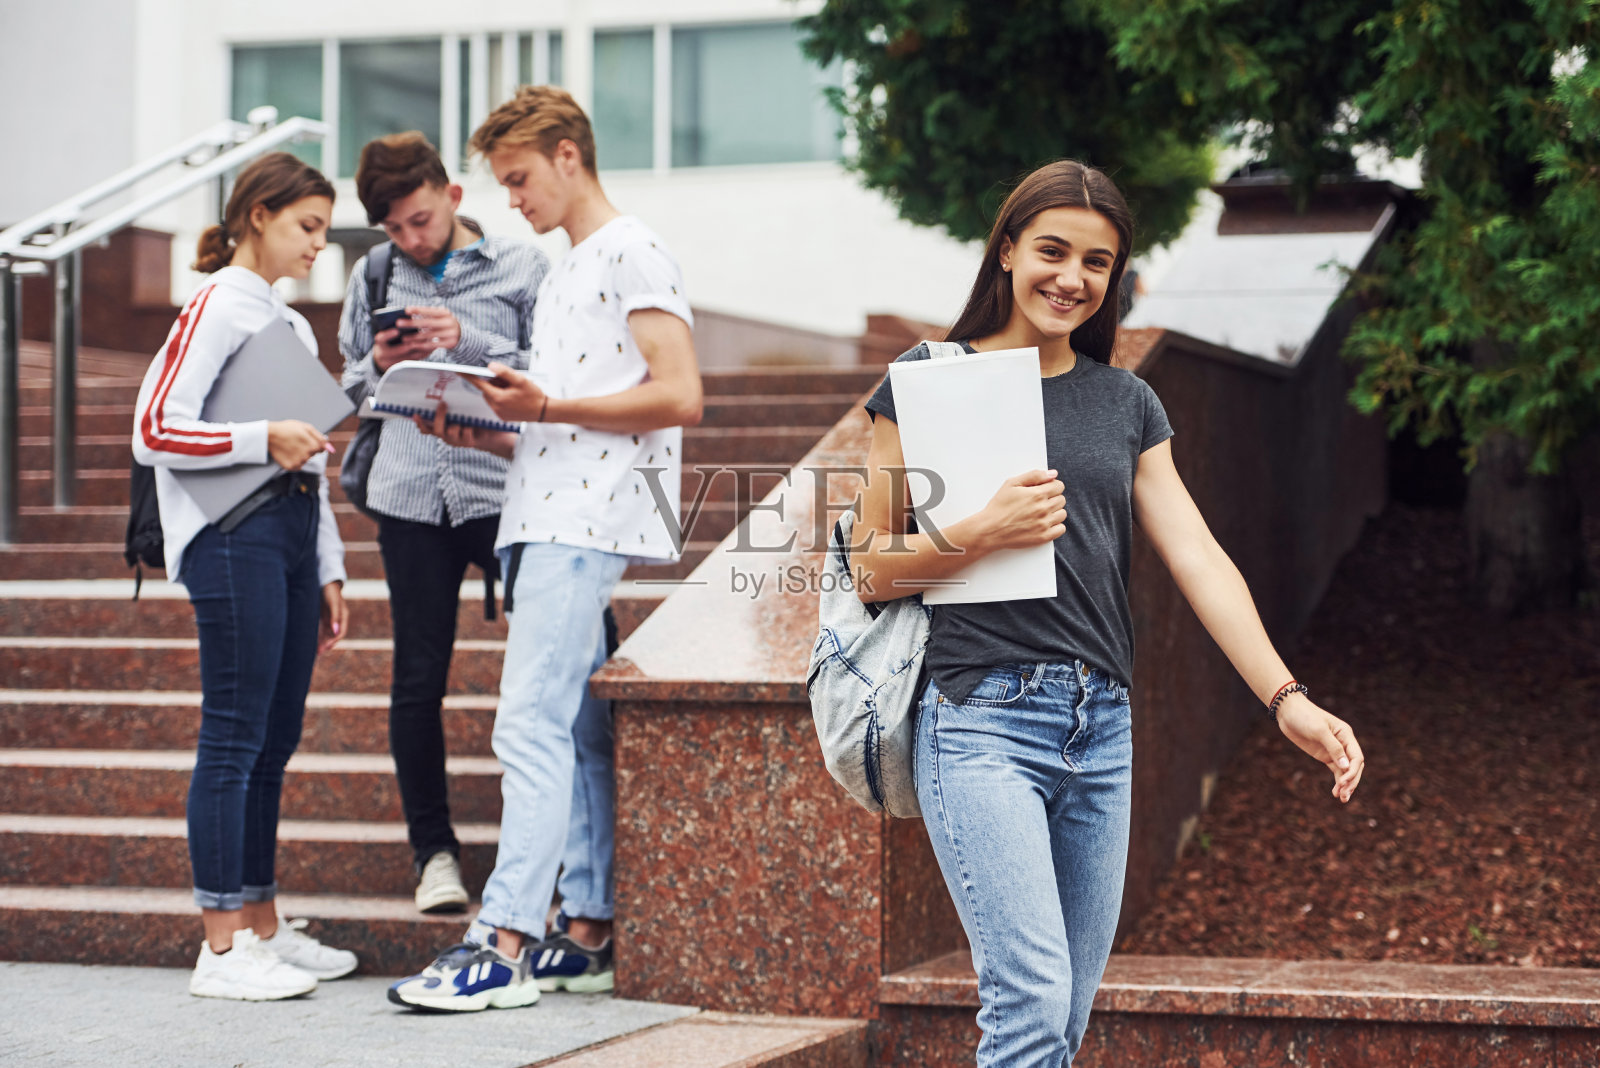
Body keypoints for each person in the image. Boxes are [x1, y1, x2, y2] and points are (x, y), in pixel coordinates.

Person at [855, 160, 1367, 1066]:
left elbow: (1200, 558)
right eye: (1052, 250)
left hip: (1102, 727)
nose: (1072, 278)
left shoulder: (1126, 401)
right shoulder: (927, 383)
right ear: (1007, 249)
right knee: (1031, 1001)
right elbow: (871, 570)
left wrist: (1287, 698)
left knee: (1066, 1013)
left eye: (1098, 262)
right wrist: (983, 529)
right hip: (979, 719)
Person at [386, 86, 703, 1012]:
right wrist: (489, 432)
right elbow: (569, 419)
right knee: (573, 731)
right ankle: (588, 927)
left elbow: (681, 394)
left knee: (526, 722)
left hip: (582, 524)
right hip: (547, 510)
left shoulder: (630, 249)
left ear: (570, 155)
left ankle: (503, 941)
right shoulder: (569, 267)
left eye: (520, 178)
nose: (513, 199)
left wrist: (549, 408)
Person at [131, 152, 360, 1001]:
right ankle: (222, 949)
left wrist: (330, 566)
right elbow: (154, 426)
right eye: (306, 226)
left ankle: (262, 923)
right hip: (233, 533)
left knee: (274, 735)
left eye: (324, 230)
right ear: (257, 215)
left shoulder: (288, 323)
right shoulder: (218, 304)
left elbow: (315, 458)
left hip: (292, 532)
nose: (317, 245)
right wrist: (260, 437)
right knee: (234, 733)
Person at [339, 132, 549, 914]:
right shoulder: (375, 273)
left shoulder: (524, 265)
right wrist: (383, 366)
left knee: (547, 666)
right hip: (407, 495)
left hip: (505, 486)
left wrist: (470, 340)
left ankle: (553, 855)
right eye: (394, 229)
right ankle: (434, 856)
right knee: (415, 680)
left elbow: (555, 373)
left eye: (419, 221)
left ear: (453, 198)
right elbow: (350, 379)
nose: (410, 240)